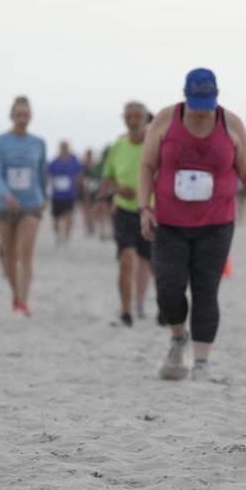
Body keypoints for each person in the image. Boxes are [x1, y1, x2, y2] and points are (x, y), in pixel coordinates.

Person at [139, 68, 246, 381]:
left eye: (207, 105)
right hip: (168, 222)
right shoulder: (165, 119)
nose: (201, 113)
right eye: (196, 105)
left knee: (205, 291)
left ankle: (201, 362)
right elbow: (147, 165)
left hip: (216, 223)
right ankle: (178, 340)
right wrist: (144, 208)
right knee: (168, 289)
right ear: (185, 96)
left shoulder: (231, 123)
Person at [0, 96, 47, 316]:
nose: (22, 119)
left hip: (31, 203)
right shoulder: (0, 141)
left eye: (25, 115)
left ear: (30, 117)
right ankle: (15, 294)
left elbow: (42, 174)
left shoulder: (38, 143)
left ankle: (23, 301)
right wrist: (5, 194)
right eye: (18, 115)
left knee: (26, 253)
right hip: (4, 205)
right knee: (9, 255)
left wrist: (44, 196)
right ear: (11, 116)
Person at [100, 101, 156, 326]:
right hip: (124, 211)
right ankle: (126, 311)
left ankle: (164, 309)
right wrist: (116, 190)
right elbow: (107, 177)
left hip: (152, 212)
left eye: (137, 116)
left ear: (147, 119)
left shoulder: (156, 144)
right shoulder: (118, 145)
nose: (133, 121)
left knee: (154, 264)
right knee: (127, 259)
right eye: (128, 116)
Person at [48, 141, 83, 246]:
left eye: (65, 147)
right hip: (57, 195)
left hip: (70, 194)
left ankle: (67, 237)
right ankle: (58, 237)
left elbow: (79, 176)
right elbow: (50, 176)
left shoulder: (74, 161)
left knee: (69, 216)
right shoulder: (54, 162)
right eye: (62, 147)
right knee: (55, 218)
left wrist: (78, 188)